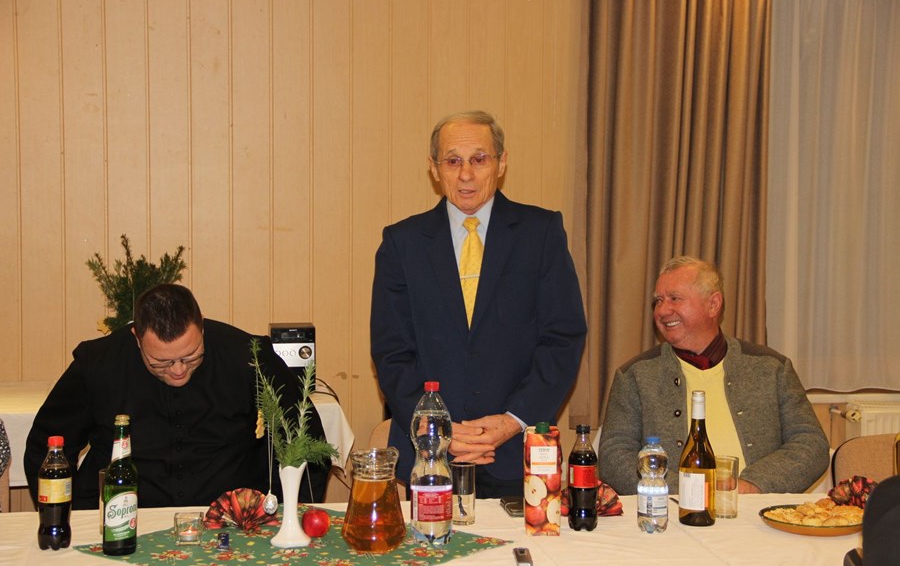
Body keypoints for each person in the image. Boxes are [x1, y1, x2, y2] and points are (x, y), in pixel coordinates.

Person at [371, 110, 587, 498]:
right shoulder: (402, 243)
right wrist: (438, 429)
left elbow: (563, 339)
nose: (466, 174)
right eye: (453, 161)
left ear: (501, 163)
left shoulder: (540, 233)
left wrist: (512, 421)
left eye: (479, 159)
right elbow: (391, 352)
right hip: (431, 454)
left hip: (517, 448)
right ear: (434, 169)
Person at [25, 283, 328, 509]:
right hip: (119, 519)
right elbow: (48, 446)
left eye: (191, 356)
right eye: (161, 362)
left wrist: (292, 514)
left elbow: (305, 439)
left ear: (202, 327)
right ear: (136, 337)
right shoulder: (98, 365)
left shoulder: (249, 356)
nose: (179, 370)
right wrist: (61, 516)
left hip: (236, 521)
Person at [598, 256, 829, 495]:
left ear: (713, 304)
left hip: (756, 510)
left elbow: (811, 443)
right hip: (672, 511)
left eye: (675, 298)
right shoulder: (635, 375)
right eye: (658, 301)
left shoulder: (771, 368)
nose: (663, 311)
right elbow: (614, 457)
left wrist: (752, 484)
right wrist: (689, 489)